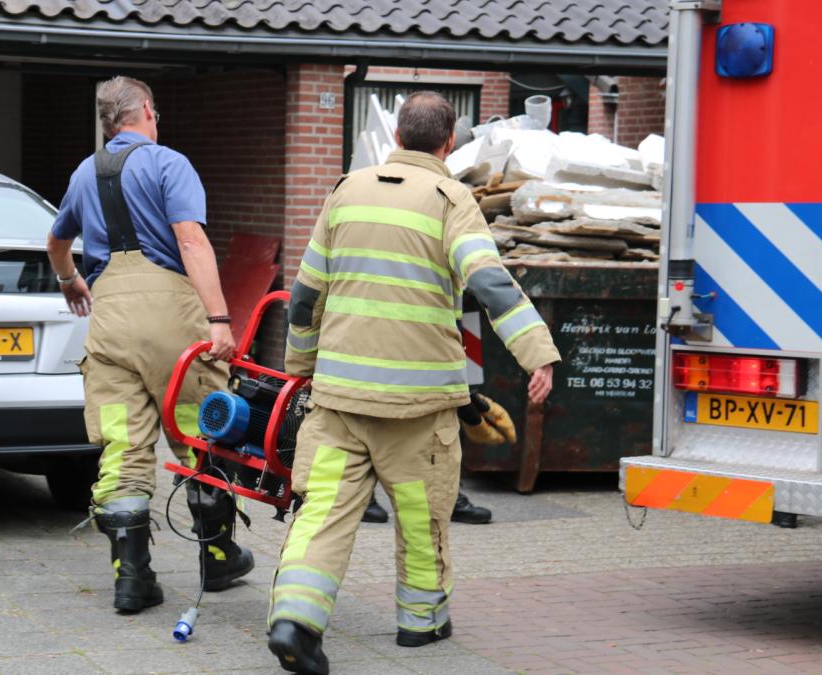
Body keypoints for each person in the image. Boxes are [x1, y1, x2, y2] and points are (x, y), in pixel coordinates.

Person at [266, 91, 560, 674]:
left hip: (340, 402)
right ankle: (420, 623)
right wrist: (538, 356)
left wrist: (301, 368)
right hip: (417, 410)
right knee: (422, 516)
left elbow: (304, 298)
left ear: (397, 137)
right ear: (448, 143)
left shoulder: (346, 191)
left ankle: (295, 620)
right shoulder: (451, 199)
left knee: (321, 514)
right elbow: (490, 284)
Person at [47, 76, 253, 614]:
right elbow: (190, 240)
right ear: (144, 109)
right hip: (172, 323)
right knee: (200, 431)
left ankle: (132, 578)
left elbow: (56, 240)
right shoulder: (168, 163)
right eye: (155, 111)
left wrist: (69, 281)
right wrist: (219, 318)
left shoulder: (83, 172)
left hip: (110, 323)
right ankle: (219, 557)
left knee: (122, 444)